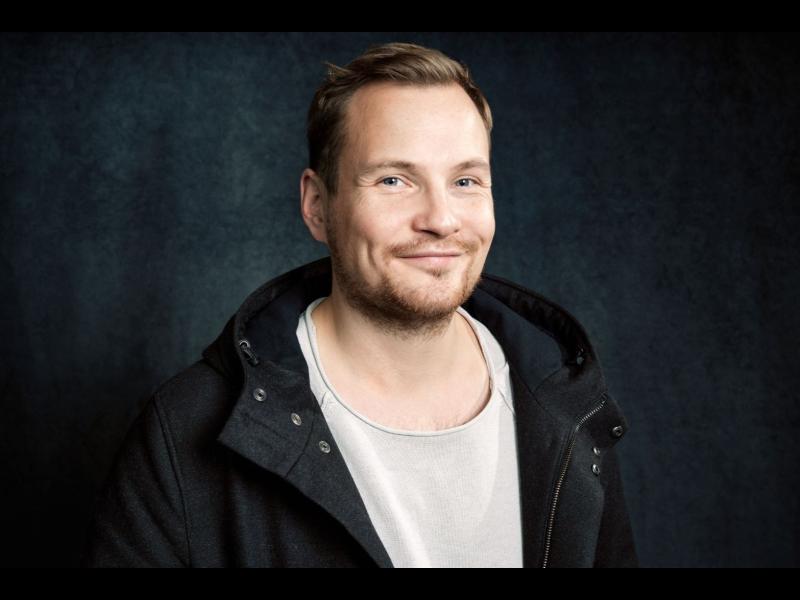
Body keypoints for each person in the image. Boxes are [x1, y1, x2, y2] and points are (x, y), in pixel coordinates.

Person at [82, 42, 638, 568]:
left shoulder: (564, 402)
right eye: (394, 180)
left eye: (466, 180)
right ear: (317, 206)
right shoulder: (186, 427)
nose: (441, 219)